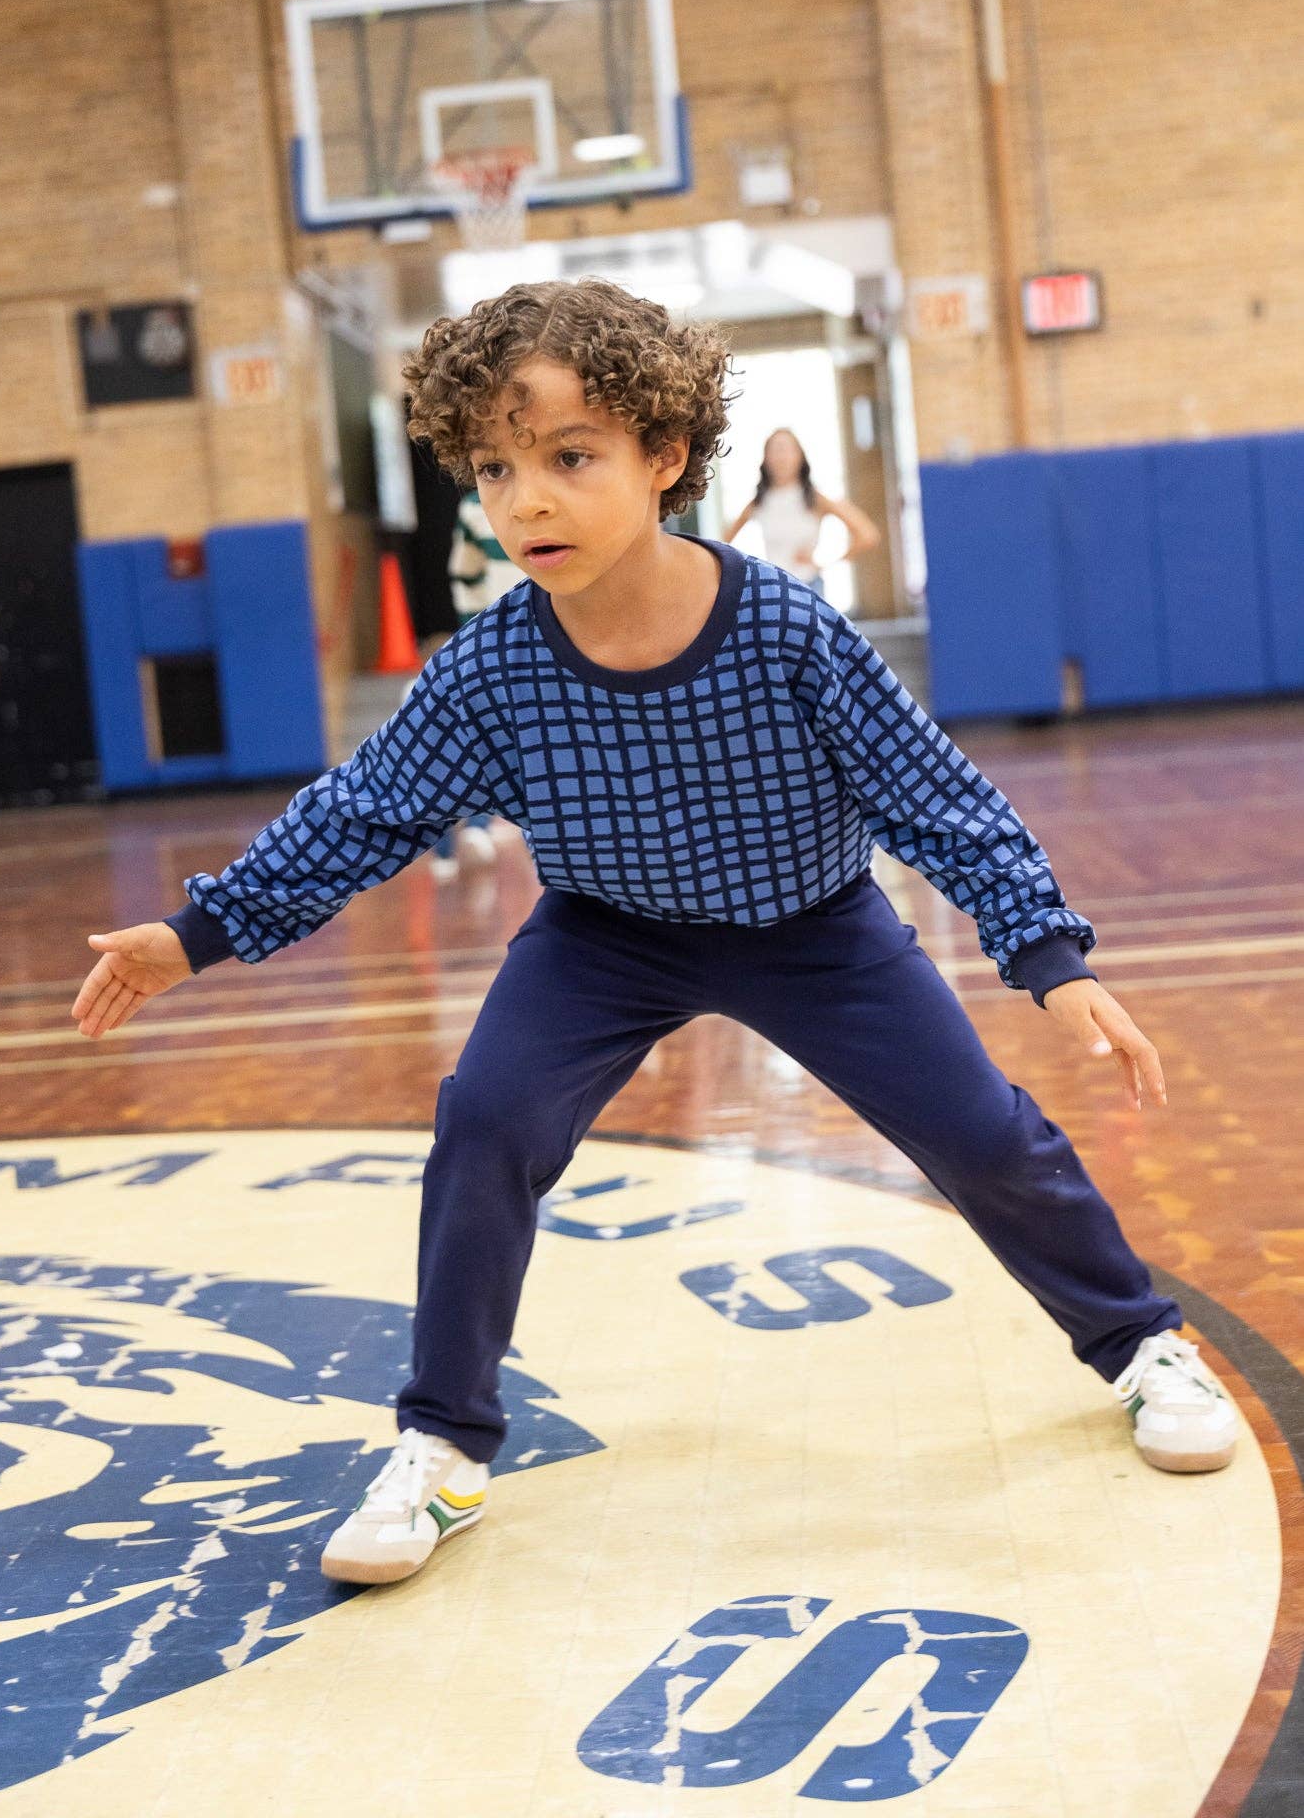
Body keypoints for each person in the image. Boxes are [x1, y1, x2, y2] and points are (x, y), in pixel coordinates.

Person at [71, 278, 1237, 1590]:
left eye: (571, 459)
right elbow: (364, 813)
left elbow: (934, 795)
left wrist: (1045, 958)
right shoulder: (489, 667)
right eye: (497, 469)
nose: (529, 502)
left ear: (662, 456)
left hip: (811, 929)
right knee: (486, 1124)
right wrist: (196, 932)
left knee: (982, 1135)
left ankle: (1138, 1344)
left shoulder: (788, 630)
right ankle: (442, 1445)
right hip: (603, 936)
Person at [427, 487, 524, 881]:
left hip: (556, 636)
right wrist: (476, 634)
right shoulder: (472, 507)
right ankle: (462, 839)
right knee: (483, 744)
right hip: (496, 643)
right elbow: (463, 573)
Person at [723, 427, 880, 597]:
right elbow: (724, 542)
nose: (781, 457)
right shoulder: (758, 502)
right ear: (766, 459)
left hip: (808, 587)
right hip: (773, 590)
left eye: (787, 449)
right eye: (775, 450)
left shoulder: (815, 499)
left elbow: (867, 535)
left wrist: (826, 562)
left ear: (800, 456)